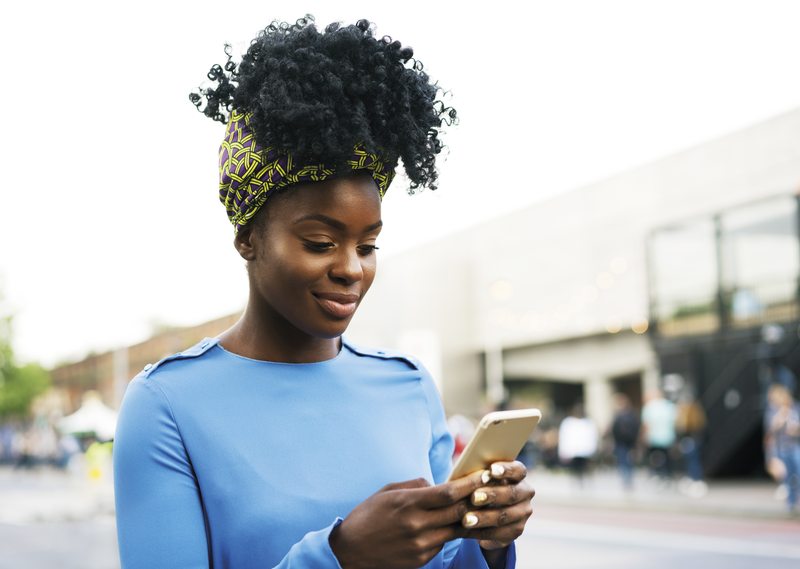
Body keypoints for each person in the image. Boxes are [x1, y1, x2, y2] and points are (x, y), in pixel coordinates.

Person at [113, 16, 534, 569]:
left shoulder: (408, 385)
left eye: (368, 245)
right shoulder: (166, 405)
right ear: (248, 238)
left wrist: (489, 543)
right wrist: (341, 556)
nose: (352, 269)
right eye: (320, 242)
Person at [765, 383, 800, 511]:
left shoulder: (794, 408)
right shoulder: (773, 411)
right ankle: (791, 504)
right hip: (782, 448)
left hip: (794, 446)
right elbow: (772, 428)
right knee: (788, 477)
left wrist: (794, 428)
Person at [557, 403, 598, 485]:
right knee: (575, 469)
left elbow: (593, 437)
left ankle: (583, 482)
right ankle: (577, 482)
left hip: (585, 451)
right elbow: (564, 437)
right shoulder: (569, 422)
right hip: (574, 451)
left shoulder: (588, 422)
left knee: (584, 467)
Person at [640, 388, 676, 482]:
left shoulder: (649, 407)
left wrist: (644, 437)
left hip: (654, 438)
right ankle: (668, 475)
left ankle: (659, 475)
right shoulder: (669, 406)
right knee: (667, 457)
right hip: (668, 438)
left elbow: (646, 424)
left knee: (655, 458)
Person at [610, 394, 639, 490]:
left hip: (621, 443)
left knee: (623, 462)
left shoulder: (619, 417)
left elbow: (614, 431)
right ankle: (628, 481)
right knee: (628, 462)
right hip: (629, 443)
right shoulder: (632, 415)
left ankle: (626, 481)